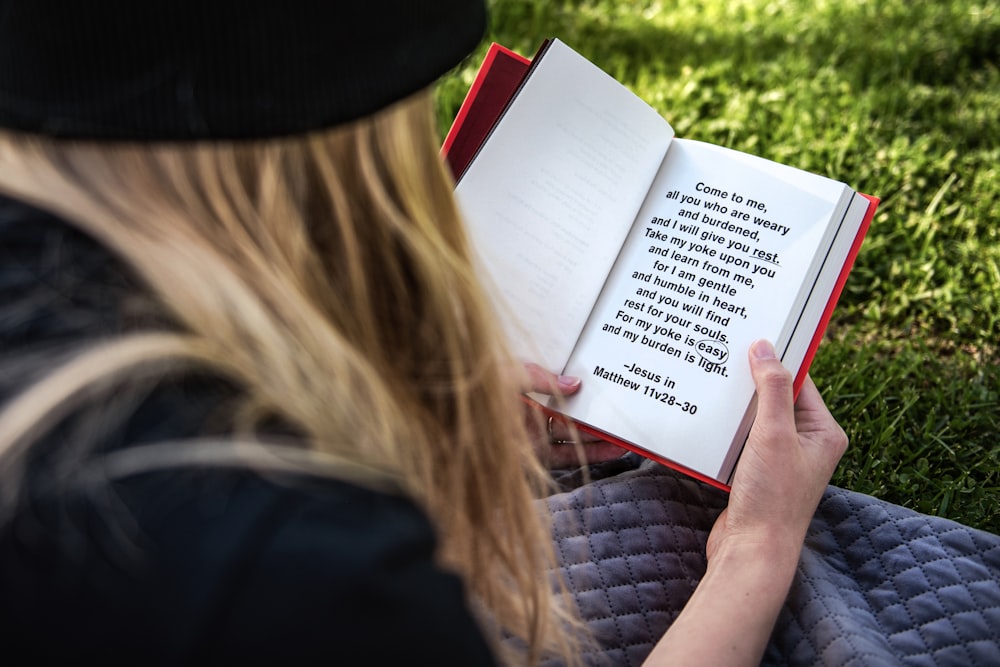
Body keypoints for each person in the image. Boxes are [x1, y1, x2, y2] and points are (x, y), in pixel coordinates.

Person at [0, 1, 847, 664]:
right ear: (337, 144)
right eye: (418, 99)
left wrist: (407, 426)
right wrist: (756, 546)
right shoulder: (308, 574)